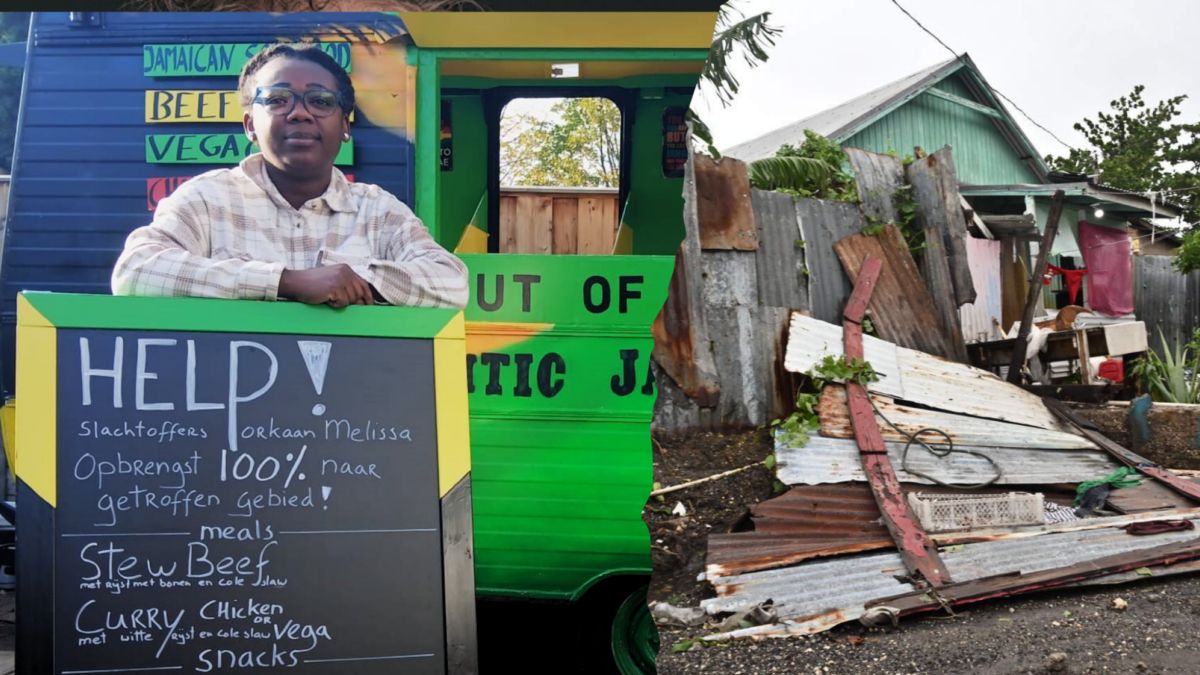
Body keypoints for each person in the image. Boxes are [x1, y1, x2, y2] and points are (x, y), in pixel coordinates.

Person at [112, 44, 468, 310]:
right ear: (250, 124)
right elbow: (134, 272)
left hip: (351, 407)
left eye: (321, 101)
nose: (300, 113)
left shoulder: (378, 211)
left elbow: (452, 283)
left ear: (345, 125)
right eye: (278, 100)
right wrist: (285, 282)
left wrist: (354, 279)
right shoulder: (206, 200)